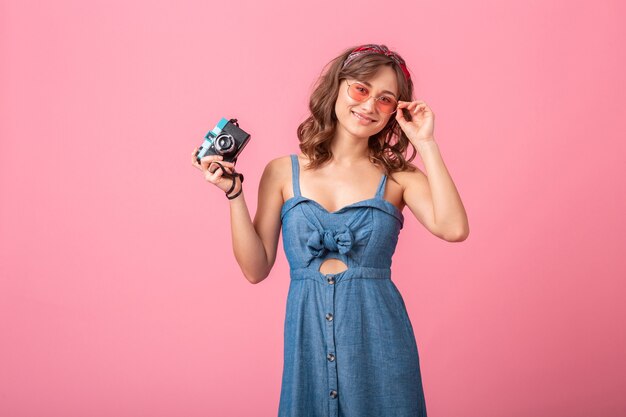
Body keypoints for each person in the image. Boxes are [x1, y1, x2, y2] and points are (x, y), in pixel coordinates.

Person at [191, 44, 469, 417]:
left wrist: (426, 143)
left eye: (385, 99)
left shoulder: (399, 177)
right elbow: (256, 270)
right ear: (337, 87)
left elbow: (453, 228)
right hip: (307, 344)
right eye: (361, 89)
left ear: (396, 111)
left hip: (380, 346)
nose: (369, 105)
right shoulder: (281, 172)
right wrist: (234, 194)